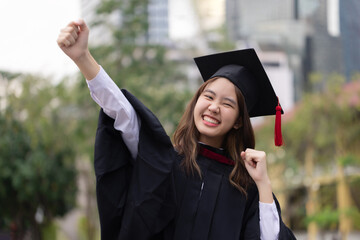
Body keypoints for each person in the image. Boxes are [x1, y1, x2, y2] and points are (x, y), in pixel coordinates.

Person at [57, 19, 296, 240]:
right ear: (196, 101)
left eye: (227, 104)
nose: (214, 107)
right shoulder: (165, 164)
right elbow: (124, 114)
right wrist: (83, 58)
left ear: (238, 121)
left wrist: (263, 183)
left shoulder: (245, 187)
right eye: (209, 96)